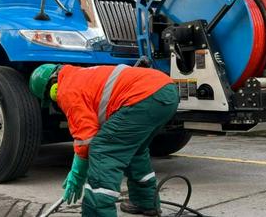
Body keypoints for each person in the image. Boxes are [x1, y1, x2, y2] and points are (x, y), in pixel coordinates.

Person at [29, 64, 179, 217]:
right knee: (134, 150)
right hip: (166, 91)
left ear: (54, 85)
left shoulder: (67, 89)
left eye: (51, 96)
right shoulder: (80, 74)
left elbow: (85, 139)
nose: (55, 100)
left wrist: (77, 174)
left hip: (145, 97)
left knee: (103, 150)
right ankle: (145, 201)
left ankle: (96, 213)